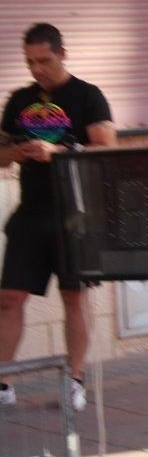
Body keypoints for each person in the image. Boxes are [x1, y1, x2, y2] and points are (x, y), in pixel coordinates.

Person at [0, 23, 116, 410]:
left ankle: (75, 379)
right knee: (10, 297)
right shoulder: (19, 100)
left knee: (74, 297)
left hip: (75, 214)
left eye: (44, 61)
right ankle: (3, 382)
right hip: (31, 214)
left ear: (62, 54)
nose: (38, 70)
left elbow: (105, 151)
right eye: (30, 62)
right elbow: (0, 156)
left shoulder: (87, 96)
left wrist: (58, 153)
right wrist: (15, 153)